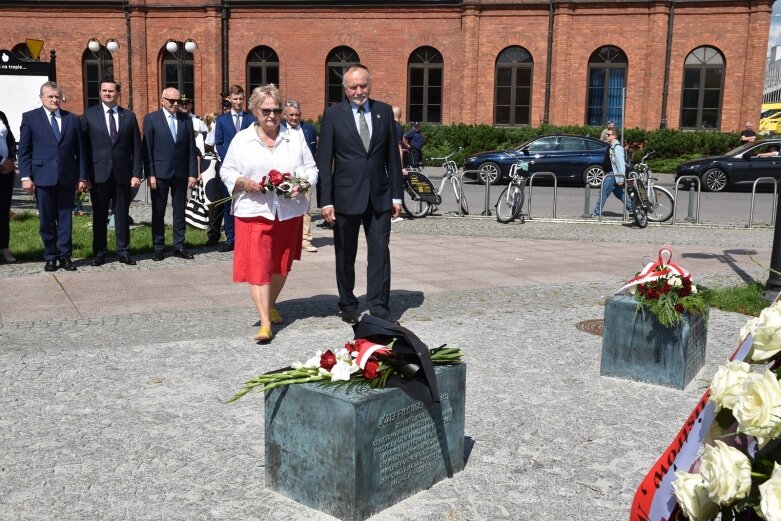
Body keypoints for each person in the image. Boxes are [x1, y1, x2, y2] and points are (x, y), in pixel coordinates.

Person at [219, 84, 317, 342]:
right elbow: (226, 171)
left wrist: (303, 183)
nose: (272, 115)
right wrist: (242, 182)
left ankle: (271, 303)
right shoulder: (242, 139)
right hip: (253, 210)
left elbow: (311, 168)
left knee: (281, 265)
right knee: (259, 266)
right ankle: (265, 323)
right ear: (254, 110)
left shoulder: (294, 137)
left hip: (287, 210)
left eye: (276, 110)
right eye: (266, 110)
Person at [316, 63, 403, 324]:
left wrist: (397, 196)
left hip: (379, 196)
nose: (359, 90)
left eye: (363, 85)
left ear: (370, 84)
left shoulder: (384, 112)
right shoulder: (333, 115)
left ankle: (379, 306)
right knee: (345, 254)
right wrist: (326, 200)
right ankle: (348, 303)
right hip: (344, 198)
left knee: (380, 252)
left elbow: (392, 158)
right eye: (353, 86)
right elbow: (324, 160)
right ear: (345, 89)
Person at [18, 81, 89, 272]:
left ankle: (65, 256)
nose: (54, 100)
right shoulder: (30, 118)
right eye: (50, 96)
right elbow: (24, 151)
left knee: (65, 219)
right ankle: (50, 256)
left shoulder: (72, 119)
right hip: (42, 177)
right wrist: (26, 176)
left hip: (67, 178)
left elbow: (81, 151)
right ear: (41, 97)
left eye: (57, 96)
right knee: (46, 220)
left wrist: (82, 177)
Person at [80, 78, 143, 266]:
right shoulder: (89, 115)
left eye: (111, 91)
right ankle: (99, 252)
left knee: (122, 214)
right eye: (104, 90)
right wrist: (84, 176)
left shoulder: (129, 116)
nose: (108, 93)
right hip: (97, 174)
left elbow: (136, 148)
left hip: (123, 174)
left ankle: (123, 251)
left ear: (118, 93)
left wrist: (136, 173)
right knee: (99, 214)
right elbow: (83, 148)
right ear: (100, 93)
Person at [141, 87, 199, 261]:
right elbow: (148, 149)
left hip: (180, 173)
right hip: (159, 173)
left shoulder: (186, 120)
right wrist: (150, 173)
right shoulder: (151, 119)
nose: (175, 104)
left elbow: (191, 148)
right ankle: (158, 247)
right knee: (158, 211)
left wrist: (192, 173)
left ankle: (179, 246)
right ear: (162, 100)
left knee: (179, 211)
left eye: (178, 101)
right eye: (171, 101)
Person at [211, 85, 256, 252]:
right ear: (229, 99)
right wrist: (230, 161)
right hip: (228, 168)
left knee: (246, 201)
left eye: (241, 99)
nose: (238, 102)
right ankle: (231, 238)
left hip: (247, 167)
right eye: (235, 99)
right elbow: (219, 142)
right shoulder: (221, 120)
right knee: (228, 202)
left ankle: (246, 237)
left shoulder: (251, 119)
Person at [281, 99, 319, 253]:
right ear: (285, 115)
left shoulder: (308, 129)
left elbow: (313, 150)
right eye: (291, 115)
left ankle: (305, 239)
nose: (294, 118)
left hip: (305, 175)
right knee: (286, 207)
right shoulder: (280, 129)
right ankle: (287, 239)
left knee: (306, 208)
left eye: (297, 115)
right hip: (286, 176)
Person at [592, 129, 632, 217]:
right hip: (611, 174)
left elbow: (620, 164)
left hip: (613, 174)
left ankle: (596, 212)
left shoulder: (617, 148)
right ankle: (633, 210)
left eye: (609, 134)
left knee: (603, 193)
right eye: (607, 134)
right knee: (620, 195)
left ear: (614, 136)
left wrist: (621, 178)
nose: (607, 136)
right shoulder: (611, 146)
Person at [0, 110, 17, 263]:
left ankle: (4, 248)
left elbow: (10, 139)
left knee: (3, 211)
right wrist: (1, 161)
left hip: (6, 172)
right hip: (1, 164)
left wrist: (11, 159)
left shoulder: (1, 115)